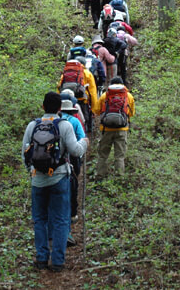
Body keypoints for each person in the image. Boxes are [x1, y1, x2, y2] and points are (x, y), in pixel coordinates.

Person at [23, 92, 88, 271]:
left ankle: (42, 258)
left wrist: (33, 172)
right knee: (60, 219)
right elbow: (75, 151)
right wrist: (84, 143)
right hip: (59, 178)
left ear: (43, 107)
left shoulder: (32, 126)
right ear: (60, 109)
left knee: (40, 219)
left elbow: (24, 154)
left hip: (38, 181)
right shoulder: (64, 125)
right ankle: (58, 261)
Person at [94, 77, 135, 180]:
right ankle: (119, 178)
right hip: (122, 130)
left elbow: (97, 110)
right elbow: (132, 113)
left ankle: (100, 177)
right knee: (119, 156)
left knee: (103, 155)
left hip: (106, 129)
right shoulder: (128, 96)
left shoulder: (105, 96)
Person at [60, 97, 87, 233]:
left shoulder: (55, 122)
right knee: (73, 183)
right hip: (73, 155)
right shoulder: (74, 121)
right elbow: (82, 137)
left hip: (57, 159)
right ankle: (72, 213)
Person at [58, 58, 99, 135]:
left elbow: (59, 88)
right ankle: (84, 137)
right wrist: (94, 109)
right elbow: (93, 92)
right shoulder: (87, 73)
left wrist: (58, 102)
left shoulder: (64, 74)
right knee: (84, 121)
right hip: (82, 101)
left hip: (67, 101)